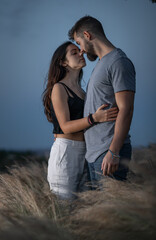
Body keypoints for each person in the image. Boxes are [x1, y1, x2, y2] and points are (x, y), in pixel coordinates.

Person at [42, 41, 118, 199]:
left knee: (83, 206)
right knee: (64, 207)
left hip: (86, 151)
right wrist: (94, 118)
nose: (80, 54)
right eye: (74, 53)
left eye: (79, 51)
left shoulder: (83, 91)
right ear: (63, 62)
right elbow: (65, 126)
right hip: (66, 152)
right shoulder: (59, 88)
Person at [68, 16, 136, 188]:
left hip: (108, 152)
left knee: (114, 212)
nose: (81, 51)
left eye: (79, 42)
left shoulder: (118, 62)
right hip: (95, 154)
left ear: (87, 35)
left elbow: (126, 109)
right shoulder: (101, 63)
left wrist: (113, 151)